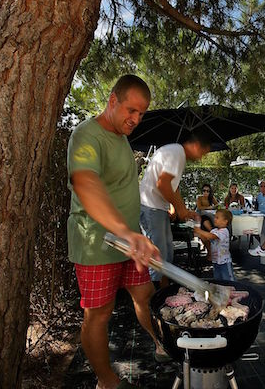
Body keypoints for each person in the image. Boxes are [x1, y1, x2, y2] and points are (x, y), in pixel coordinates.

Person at [67, 74, 164, 389]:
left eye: (141, 114)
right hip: (96, 242)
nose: (136, 119)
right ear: (112, 101)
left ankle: (161, 342)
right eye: (131, 110)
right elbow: (85, 182)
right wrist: (126, 231)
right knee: (99, 314)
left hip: (129, 241)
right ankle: (106, 381)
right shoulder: (86, 135)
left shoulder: (122, 137)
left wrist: (136, 233)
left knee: (145, 294)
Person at [140, 134, 211, 288]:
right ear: (196, 146)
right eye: (203, 153)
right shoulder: (177, 153)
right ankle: (153, 300)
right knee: (158, 258)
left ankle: (164, 292)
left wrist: (181, 209)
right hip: (151, 207)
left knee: (167, 255)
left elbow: (173, 187)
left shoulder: (175, 152)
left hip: (158, 208)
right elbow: (162, 184)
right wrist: (180, 208)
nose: (200, 158)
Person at [193, 209, 235, 281]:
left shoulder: (224, 231)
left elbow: (212, 236)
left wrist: (200, 231)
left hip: (224, 261)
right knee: (218, 279)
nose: (214, 219)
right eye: (215, 217)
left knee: (228, 279)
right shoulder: (214, 230)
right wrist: (199, 233)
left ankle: (234, 290)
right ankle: (221, 290)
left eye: (217, 217)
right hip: (216, 260)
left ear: (225, 221)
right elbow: (207, 238)